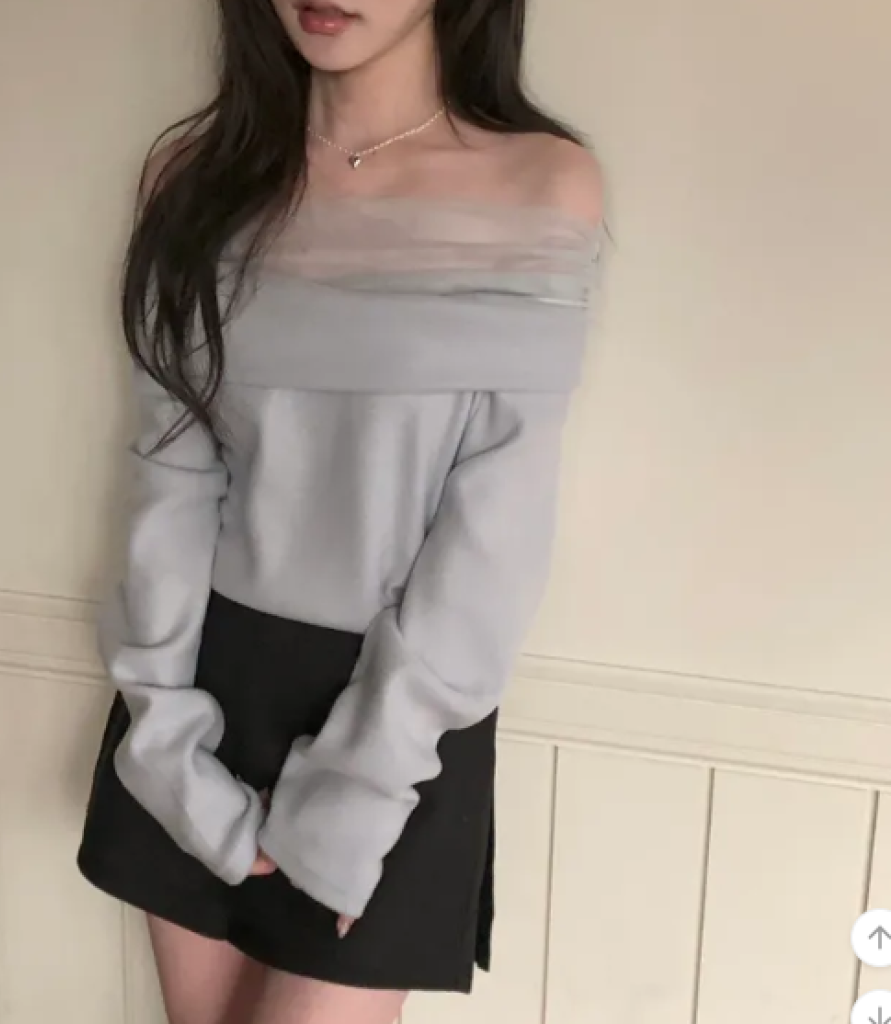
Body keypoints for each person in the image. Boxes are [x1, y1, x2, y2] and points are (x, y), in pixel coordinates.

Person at [77, 0, 604, 1021]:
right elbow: (169, 474)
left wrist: (361, 789)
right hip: (193, 687)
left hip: (400, 717)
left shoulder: (543, 186)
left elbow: (492, 540)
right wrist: (164, 737)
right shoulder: (192, 181)